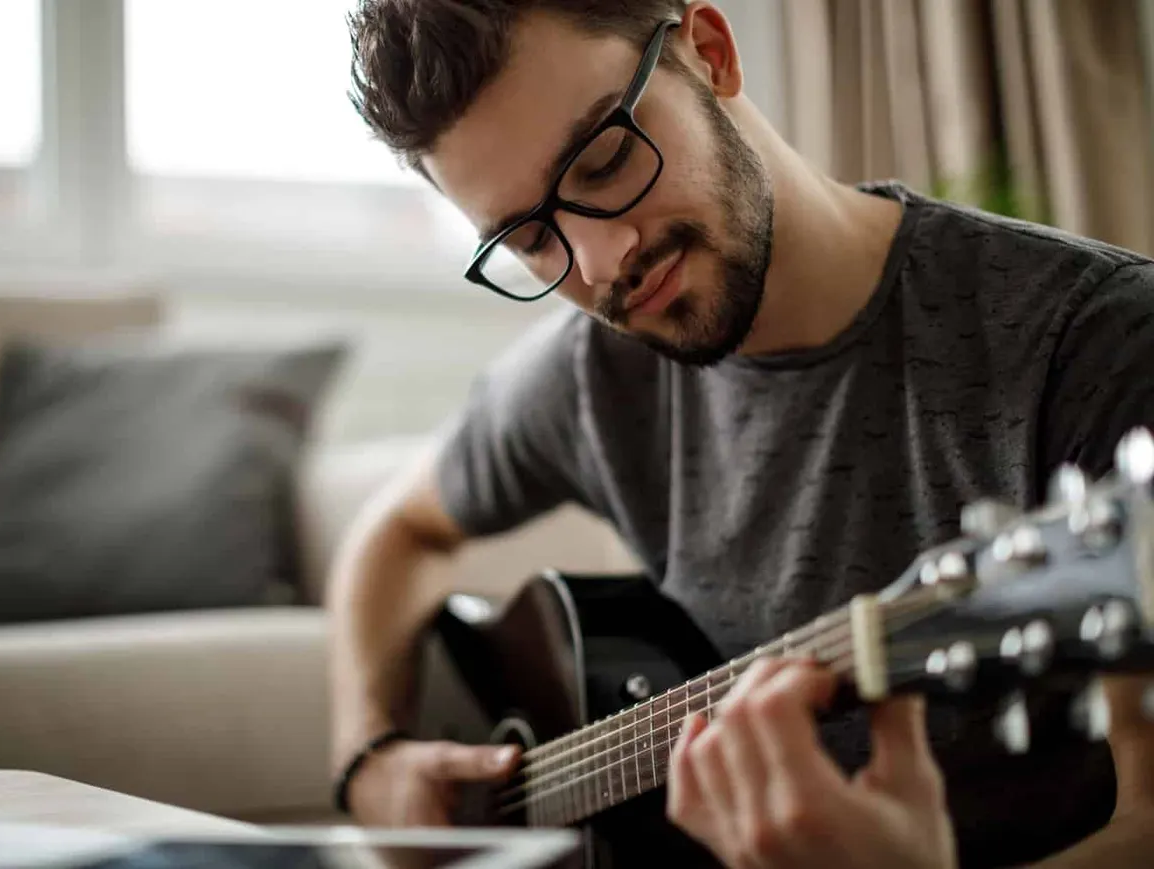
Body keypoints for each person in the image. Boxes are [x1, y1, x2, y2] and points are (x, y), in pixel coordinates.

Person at [327, 2, 1154, 867]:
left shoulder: (1094, 342)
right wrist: (367, 759)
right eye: (529, 239)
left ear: (712, 54)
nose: (601, 261)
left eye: (606, 159)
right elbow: (397, 533)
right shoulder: (585, 375)